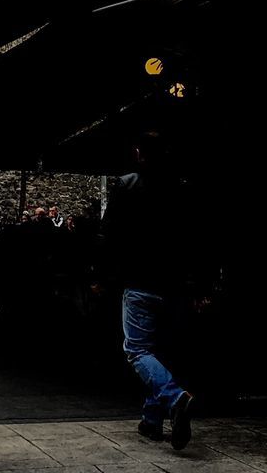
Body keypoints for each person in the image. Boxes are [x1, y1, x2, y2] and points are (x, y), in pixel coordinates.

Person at [98, 131, 204, 450]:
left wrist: (102, 274)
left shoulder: (127, 185)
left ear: (139, 152)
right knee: (160, 351)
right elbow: (196, 238)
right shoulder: (182, 189)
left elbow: (109, 234)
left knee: (138, 350)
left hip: (139, 279)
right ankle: (152, 420)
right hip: (173, 282)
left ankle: (175, 398)